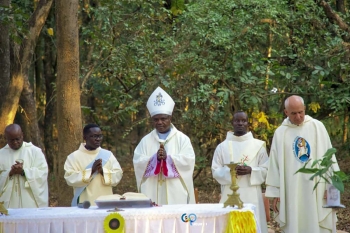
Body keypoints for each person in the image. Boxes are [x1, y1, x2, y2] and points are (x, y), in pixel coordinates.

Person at [265, 95, 339, 233]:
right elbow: (274, 165)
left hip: (318, 187)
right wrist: (276, 192)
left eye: (301, 112)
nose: (298, 116)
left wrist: (332, 189)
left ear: (305, 109)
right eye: (293, 113)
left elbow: (330, 158)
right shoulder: (281, 133)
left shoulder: (318, 127)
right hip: (291, 190)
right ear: (286, 112)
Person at [133, 86, 196, 205]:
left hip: (175, 192)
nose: (159, 122)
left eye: (163, 118)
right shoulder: (145, 141)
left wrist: (169, 159)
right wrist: (154, 160)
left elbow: (188, 161)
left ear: (170, 118)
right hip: (151, 189)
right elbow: (138, 162)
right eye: (156, 119)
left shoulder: (182, 139)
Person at [211, 111, 269, 233]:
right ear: (232, 122)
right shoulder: (222, 147)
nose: (240, 123)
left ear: (248, 123)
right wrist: (231, 172)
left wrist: (251, 170)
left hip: (252, 194)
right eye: (237, 120)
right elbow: (215, 170)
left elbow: (266, 170)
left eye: (243, 121)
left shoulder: (259, 146)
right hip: (229, 193)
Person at [64, 124, 123, 206]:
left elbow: (118, 174)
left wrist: (102, 171)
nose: (98, 139)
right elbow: (69, 177)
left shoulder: (108, 155)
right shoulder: (73, 157)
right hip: (85, 203)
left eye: (100, 136)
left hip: (106, 202)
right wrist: (91, 171)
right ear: (85, 138)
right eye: (94, 136)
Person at [0, 124, 49, 208]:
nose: (15, 142)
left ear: (22, 135)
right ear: (6, 138)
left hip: (29, 201)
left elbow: (43, 173)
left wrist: (23, 172)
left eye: (17, 139)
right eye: (11, 140)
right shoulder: (1, 154)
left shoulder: (35, 151)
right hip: (9, 203)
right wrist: (10, 173)